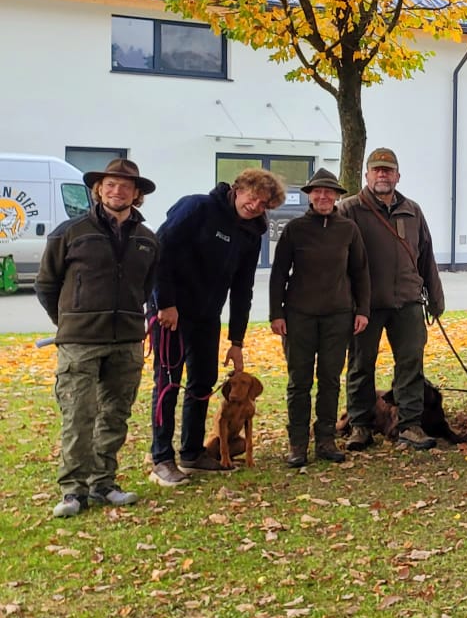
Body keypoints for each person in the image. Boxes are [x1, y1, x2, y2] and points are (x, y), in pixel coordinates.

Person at [148, 166, 284, 486]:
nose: (255, 206)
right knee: (168, 383)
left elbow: (242, 289)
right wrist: (165, 302)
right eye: (253, 197)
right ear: (238, 189)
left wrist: (237, 340)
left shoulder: (252, 234)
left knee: (203, 382)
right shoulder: (198, 208)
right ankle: (162, 458)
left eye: (263, 204)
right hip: (172, 313)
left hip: (207, 317)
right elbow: (159, 250)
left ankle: (192, 453)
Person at [38, 159, 160, 517]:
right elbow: (47, 283)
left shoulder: (147, 240)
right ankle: (73, 491)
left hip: (127, 341)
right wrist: (68, 322)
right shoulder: (70, 232)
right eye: (110, 184)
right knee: (78, 415)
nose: (117, 190)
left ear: (136, 194)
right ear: (98, 189)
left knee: (115, 415)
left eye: (125, 186)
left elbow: (146, 286)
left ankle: (104, 483)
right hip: (80, 341)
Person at [339, 148, 443, 452]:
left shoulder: (412, 210)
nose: (382, 175)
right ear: (367, 175)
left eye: (388, 170)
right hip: (366, 306)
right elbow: (338, 261)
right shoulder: (349, 210)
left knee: (411, 364)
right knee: (361, 365)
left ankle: (409, 425)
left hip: (408, 302)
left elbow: (427, 256)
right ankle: (360, 426)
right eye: (377, 170)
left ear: (397, 176)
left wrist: (435, 299)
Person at [270, 168, 370, 467]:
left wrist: (362, 310)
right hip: (299, 315)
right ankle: (297, 443)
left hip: (338, 316)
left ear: (337, 197)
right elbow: (278, 275)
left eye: (330, 192)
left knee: (330, 380)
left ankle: (325, 439)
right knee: (298, 381)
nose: (324, 196)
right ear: (310, 196)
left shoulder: (348, 229)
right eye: (318, 192)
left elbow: (360, 272)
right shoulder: (294, 229)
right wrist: (277, 313)